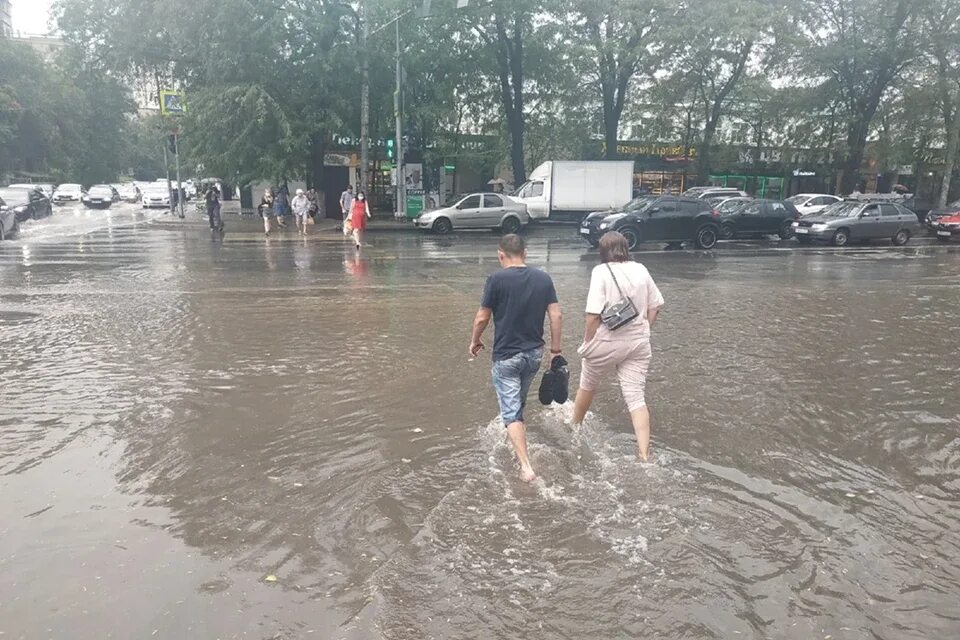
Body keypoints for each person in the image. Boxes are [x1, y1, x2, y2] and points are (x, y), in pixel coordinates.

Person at [469, 234, 563, 483]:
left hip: (506, 356)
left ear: (501, 255)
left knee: (511, 412)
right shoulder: (543, 278)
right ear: (526, 253)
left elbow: (481, 318)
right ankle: (515, 433)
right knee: (518, 403)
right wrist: (555, 350)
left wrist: (475, 340)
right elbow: (556, 315)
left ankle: (525, 466)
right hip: (534, 354)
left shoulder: (496, 279)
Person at [571, 231, 664, 462]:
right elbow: (655, 307)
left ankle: (574, 426)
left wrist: (588, 342)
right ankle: (644, 454)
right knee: (636, 398)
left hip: (606, 342)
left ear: (602, 251)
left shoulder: (601, 272)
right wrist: (645, 329)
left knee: (588, 383)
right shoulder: (641, 269)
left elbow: (592, 316)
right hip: (638, 343)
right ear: (626, 248)